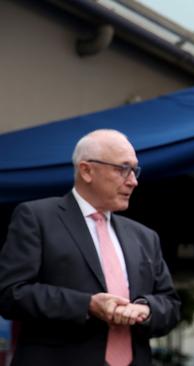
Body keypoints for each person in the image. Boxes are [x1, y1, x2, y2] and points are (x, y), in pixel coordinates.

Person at [0, 129, 180, 366]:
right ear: (86, 170)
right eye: (122, 169)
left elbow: (171, 305)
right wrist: (87, 305)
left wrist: (146, 309)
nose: (133, 181)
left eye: (135, 170)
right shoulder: (37, 217)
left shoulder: (145, 236)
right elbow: (11, 294)